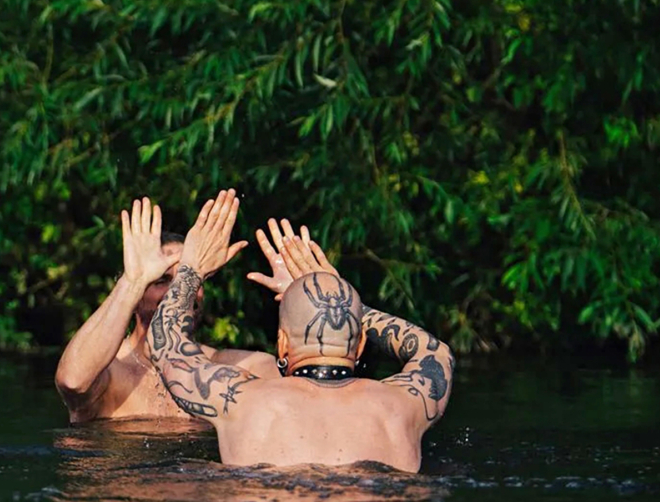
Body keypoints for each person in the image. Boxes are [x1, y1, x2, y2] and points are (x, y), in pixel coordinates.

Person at [137, 190, 455, 472]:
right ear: (359, 344)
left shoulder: (237, 400)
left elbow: (166, 346)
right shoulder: (403, 404)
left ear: (282, 342)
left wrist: (191, 270)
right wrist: (347, 307)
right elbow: (434, 351)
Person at [54, 201, 280, 424]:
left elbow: (288, 391)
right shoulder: (110, 373)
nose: (177, 290)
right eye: (161, 280)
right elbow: (73, 381)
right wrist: (133, 282)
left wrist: (297, 300)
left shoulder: (228, 368)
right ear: (136, 295)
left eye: (189, 278)